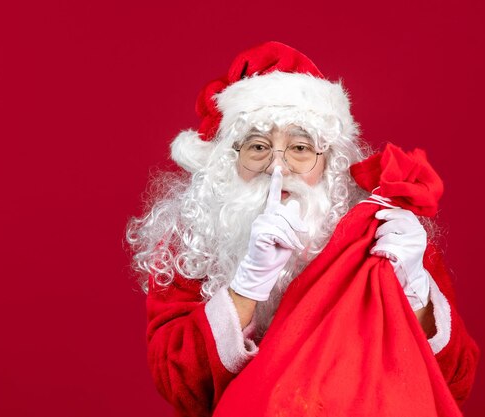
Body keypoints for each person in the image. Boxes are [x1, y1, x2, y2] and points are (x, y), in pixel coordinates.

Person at [126, 42, 478, 417]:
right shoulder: (192, 239)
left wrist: (418, 295)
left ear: (329, 162)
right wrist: (245, 289)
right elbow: (181, 388)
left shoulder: (384, 236)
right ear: (228, 160)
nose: (279, 168)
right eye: (258, 147)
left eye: (300, 147)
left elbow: (455, 385)